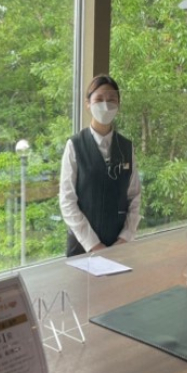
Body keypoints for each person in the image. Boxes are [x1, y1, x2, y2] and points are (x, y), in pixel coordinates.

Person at [59, 74, 141, 257]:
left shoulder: (126, 147)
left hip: (119, 246)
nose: (105, 105)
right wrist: (94, 245)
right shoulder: (75, 145)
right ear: (87, 104)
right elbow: (67, 201)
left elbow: (134, 196)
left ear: (118, 104)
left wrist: (125, 238)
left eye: (111, 99)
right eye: (99, 99)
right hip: (82, 248)